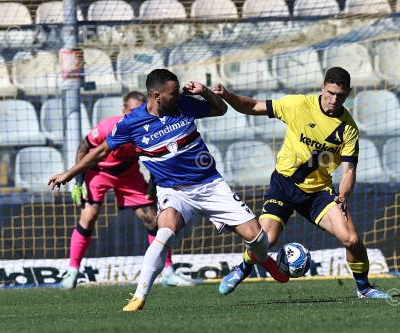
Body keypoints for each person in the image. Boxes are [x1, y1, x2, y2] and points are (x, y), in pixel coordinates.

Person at [48, 69, 289, 312]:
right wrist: (69, 173)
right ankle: (139, 296)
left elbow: (221, 110)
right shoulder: (131, 124)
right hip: (174, 191)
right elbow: (101, 150)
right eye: (173, 92)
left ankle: (257, 258)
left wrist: (205, 92)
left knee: (259, 239)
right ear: (156, 96)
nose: (179, 94)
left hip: (210, 185)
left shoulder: (185, 104)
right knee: (164, 231)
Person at [212, 67, 389, 299]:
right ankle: (243, 269)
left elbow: (349, 170)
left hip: (318, 193)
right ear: (322, 87)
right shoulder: (299, 105)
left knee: (352, 239)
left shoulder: (349, 128)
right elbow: (253, 106)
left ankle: (364, 288)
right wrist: (227, 96)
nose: (334, 100)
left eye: (341, 95)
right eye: (330, 93)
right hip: (284, 185)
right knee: (265, 240)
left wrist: (343, 195)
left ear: (348, 94)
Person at [60, 91, 201, 290]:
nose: (138, 113)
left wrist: (154, 183)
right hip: (98, 172)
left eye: (141, 108)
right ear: (124, 110)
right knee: (89, 215)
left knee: (153, 219)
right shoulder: (108, 127)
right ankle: (72, 270)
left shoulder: (150, 128)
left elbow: (157, 156)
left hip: (128, 175)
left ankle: (168, 272)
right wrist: (78, 180)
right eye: (133, 110)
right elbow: (84, 148)